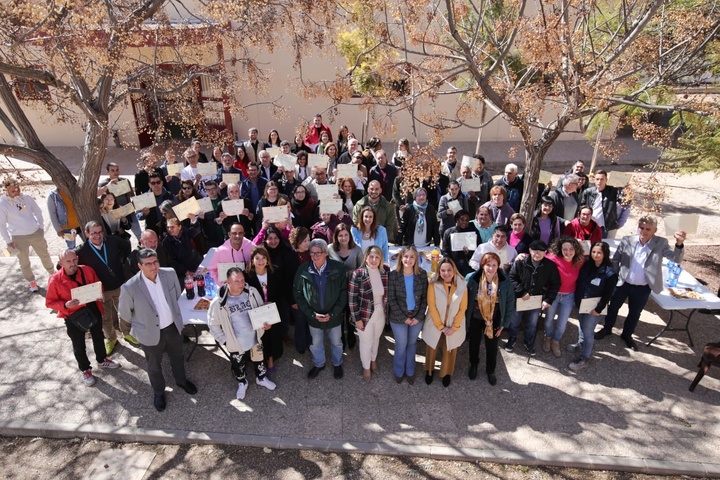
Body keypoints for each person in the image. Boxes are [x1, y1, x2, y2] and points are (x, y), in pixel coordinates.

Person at [119, 248, 197, 411]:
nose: (153, 266)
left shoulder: (169, 274)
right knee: (154, 365)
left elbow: (176, 295)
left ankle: (181, 381)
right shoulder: (130, 287)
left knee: (178, 357)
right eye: (148, 264)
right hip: (149, 333)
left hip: (173, 328)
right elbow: (125, 313)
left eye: (155, 262)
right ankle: (159, 392)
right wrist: (128, 332)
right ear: (140, 266)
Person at [595, 215, 687, 350]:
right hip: (623, 283)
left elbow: (675, 259)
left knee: (635, 312)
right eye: (641, 227)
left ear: (654, 230)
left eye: (648, 229)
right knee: (613, 307)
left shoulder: (660, 243)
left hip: (642, 287)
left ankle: (627, 335)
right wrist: (614, 277)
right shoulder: (627, 240)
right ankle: (607, 329)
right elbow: (616, 259)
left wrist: (679, 243)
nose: (644, 231)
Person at [46, 250, 121, 386]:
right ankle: (85, 369)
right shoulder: (55, 280)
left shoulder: (87, 270)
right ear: (60, 263)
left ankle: (102, 359)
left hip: (92, 308)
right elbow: (49, 302)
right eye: (68, 261)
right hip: (73, 316)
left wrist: (100, 293)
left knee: (98, 336)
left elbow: (98, 285)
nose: (73, 264)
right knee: (79, 344)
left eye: (74, 260)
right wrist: (65, 304)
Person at [208, 267, 277, 400]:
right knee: (238, 365)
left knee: (259, 359)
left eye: (242, 280)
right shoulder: (218, 303)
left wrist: (265, 323)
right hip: (235, 341)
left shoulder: (251, 292)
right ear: (227, 282)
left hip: (254, 336)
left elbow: (260, 309)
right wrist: (225, 340)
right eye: (236, 281)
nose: (241, 284)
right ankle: (242, 382)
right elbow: (213, 324)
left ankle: (261, 378)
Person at [293, 239, 347, 380]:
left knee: (336, 341)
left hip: (334, 316)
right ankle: (319, 364)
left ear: (326, 253)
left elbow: (343, 292)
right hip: (313, 317)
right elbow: (298, 293)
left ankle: (337, 363)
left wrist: (334, 312)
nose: (315, 256)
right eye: (312, 253)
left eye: (318, 253)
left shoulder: (338, 268)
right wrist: (311, 313)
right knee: (316, 342)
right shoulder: (303, 269)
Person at [76, 221, 130, 355]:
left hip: (119, 284)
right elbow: (63, 266)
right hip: (101, 291)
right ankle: (111, 339)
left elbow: (127, 246)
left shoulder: (112, 241)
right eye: (94, 233)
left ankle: (127, 333)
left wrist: (122, 262)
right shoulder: (81, 251)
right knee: (105, 317)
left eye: (100, 232)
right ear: (86, 233)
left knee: (124, 311)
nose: (98, 236)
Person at [465, 252, 515, 385]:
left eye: (494, 265)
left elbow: (510, 303)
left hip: (494, 318)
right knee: (474, 343)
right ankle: (474, 364)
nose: (491, 268)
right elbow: (464, 299)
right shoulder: (472, 278)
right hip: (475, 316)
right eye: (488, 265)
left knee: (492, 346)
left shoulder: (504, 281)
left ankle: (490, 370)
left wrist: (504, 323)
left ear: (498, 266)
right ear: (482, 265)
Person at [569, 242, 618, 371]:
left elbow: (608, 294)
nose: (595, 255)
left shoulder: (610, 273)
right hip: (582, 303)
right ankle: (580, 343)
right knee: (581, 324)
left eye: (599, 253)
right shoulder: (586, 265)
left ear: (605, 254)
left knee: (588, 331)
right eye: (593, 252)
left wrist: (598, 309)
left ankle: (585, 357)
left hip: (595, 308)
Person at [0, 178, 55, 292]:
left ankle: (52, 274)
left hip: (35, 233)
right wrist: (8, 241)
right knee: (24, 261)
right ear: (6, 190)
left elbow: (37, 211)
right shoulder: (3, 203)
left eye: (18, 189)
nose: (16, 192)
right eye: (13, 191)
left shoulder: (27, 198)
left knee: (44, 255)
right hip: (18, 237)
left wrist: (40, 227)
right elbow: (1, 224)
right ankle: (31, 281)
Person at [507, 240, 561, 355]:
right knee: (514, 321)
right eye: (534, 251)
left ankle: (529, 342)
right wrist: (521, 291)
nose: (537, 254)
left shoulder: (550, 266)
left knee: (532, 323)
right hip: (520, 298)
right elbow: (512, 277)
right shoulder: (520, 262)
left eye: (541, 251)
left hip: (536, 299)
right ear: (530, 251)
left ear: (545, 252)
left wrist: (549, 299)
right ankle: (512, 338)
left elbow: (556, 283)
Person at [423, 257, 468, 387]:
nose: (446, 273)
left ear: (454, 270)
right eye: (443, 270)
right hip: (436, 323)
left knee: (450, 349)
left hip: (454, 323)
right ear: (439, 271)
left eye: (449, 270)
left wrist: (454, 327)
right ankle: (429, 371)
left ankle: (447, 372)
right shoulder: (433, 284)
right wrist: (440, 327)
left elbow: (462, 308)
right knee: (432, 347)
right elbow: (432, 306)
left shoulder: (462, 284)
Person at [387, 246, 428, 384]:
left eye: (412, 257)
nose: (408, 260)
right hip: (398, 318)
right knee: (401, 344)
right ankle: (399, 371)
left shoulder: (422, 274)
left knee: (412, 344)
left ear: (416, 259)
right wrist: (404, 318)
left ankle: (410, 371)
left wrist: (417, 317)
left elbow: (425, 299)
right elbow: (391, 299)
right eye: (406, 257)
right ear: (401, 258)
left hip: (417, 317)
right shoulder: (393, 275)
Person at [348, 246, 388, 382]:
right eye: (371, 256)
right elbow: (352, 300)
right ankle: (366, 367)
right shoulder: (358, 274)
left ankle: (373, 361)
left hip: (380, 312)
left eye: (377, 257)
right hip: (364, 314)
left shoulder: (384, 272)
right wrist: (357, 319)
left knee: (376, 339)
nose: (374, 260)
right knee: (366, 342)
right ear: (366, 257)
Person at [542, 236, 584, 357]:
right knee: (549, 319)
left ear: (576, 249)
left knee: (562, 323)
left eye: (571, 249)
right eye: (565, 249)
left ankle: (556, 341)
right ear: (560, 249)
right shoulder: (553, 258)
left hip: (569, 297)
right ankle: (547, 337)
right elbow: (538, 254)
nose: (568, 252)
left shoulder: (579, 261)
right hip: (553, 295)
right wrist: (522, 255)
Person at [245, 246, 285, 372]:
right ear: (252, 260)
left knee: (273, 335)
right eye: (257, 258)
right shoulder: (247, 276)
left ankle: (271, 359)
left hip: (273, 309)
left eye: (263, 258)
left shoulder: (275, 272)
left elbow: (281, 292)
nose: (261, 261)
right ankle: (261, 359)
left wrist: (271, 303)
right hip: (256, 311)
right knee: (261, 338)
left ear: (268, 260)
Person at [327, 223, 364, 349]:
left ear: (350, 236)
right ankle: (341, 336)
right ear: (336, 237)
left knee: (351, 311)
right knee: (339, 311)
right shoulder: (330, 248)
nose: (343, 238)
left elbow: (361, 268)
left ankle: (351, 335)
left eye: (346, 235)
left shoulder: (357, 249)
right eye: (340, 235)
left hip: (352, 287)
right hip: (336, 286)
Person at [98, 162, 142, 240]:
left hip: (129, 212)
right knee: (119, 235)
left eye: (117, 170)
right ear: (107, 172)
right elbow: (97, 194)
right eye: (113, 170)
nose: (115, 172)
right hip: (114, 215)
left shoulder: (125, 180)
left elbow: (132, 195)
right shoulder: (104, 184)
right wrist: (108, 186)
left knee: (139, 234)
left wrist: (135, 204)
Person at [581, 169, 623, 239]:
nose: (599, 182)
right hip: (590, 224)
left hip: (605, 226)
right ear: (594, 180)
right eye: (597, 179)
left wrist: (625, 189)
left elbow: (624, 201)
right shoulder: (588, 192)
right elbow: (582, 207)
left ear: (606, 180)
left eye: (602, 179)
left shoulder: (613, 191)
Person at [161, 218, 203, 282]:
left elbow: (196, 230)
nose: (169, 229)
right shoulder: (166, 242)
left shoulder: (185, 232)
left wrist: (193, 220)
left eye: (172, 227)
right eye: (168, 227)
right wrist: (186, 271)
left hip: (197, 262)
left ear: (179, 227)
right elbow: (172, 260)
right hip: (185, 272)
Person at [441, 210, 477, 277]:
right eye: (462, 219)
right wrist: (449, 263)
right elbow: (445, 250)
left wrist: (468, 252)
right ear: (457, 219)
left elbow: (477, 249)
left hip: (468, 264)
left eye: (467, 220)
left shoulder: (473, 232)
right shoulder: (448, 232)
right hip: (453, 263)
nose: (464, 222)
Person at [139, 172, 176, 236]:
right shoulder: (144, 198)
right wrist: (144, 213)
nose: (156, 185)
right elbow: (138, 216)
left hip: (168, 229)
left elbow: (177, 211)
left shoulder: (170, 196)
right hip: (151, 230)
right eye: (153, 183)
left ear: (162, 183)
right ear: (149, 185)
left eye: (158, 182)